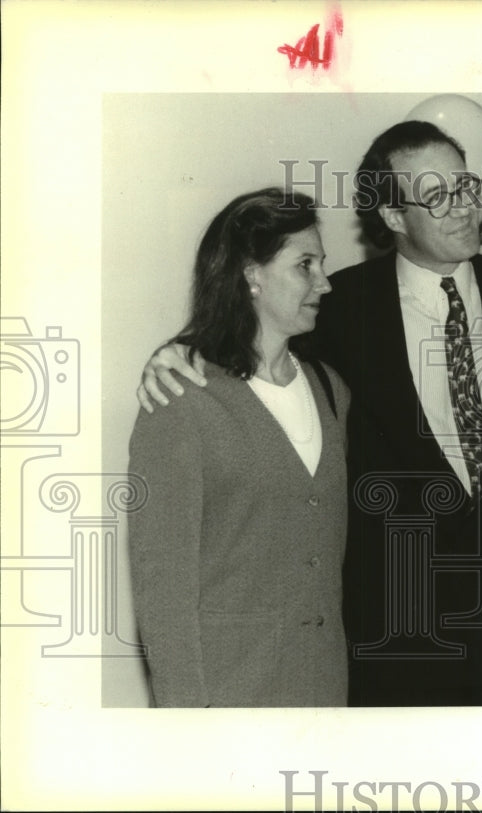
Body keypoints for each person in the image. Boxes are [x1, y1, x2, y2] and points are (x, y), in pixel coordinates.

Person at [137, 121, 482, 706]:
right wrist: (180, 353)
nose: (463, 208)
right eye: (437, 197)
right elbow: (254, 351)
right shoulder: (338, 308)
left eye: (464, 186)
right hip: (394, 647)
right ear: (392, 217)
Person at [128, 188, 351, 707]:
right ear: (251, 274)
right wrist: (189, 721)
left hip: (323, 697)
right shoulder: (181, 398)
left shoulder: (330, 390)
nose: (325, 281)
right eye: (305, 265)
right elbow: (163, 591)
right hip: (229, 699)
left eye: (322, 264)